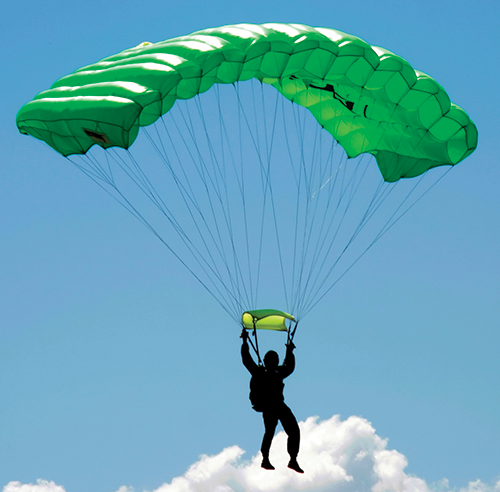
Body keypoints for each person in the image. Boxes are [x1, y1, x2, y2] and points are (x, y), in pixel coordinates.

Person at [240, 329, 303, 473]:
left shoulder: (277, 372)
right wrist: (244, 342)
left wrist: (289, 351)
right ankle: (266, 459)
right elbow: (246, 359)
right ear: (269, 361)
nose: (275, 363)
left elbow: (289, 367)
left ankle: (291, 459)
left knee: (292, 431)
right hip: (269, 405)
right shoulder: (260, 372)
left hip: (277, 405)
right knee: (270, 431)